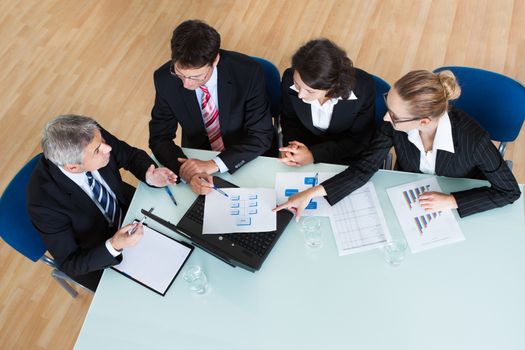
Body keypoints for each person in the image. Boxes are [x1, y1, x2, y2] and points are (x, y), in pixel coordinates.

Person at [275, 70, 520, 220]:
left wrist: (451, 200)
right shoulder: (393, 125)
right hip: (410, 197)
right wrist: (309, 193)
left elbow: (510, 191)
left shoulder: (473, 141)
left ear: (423, 121)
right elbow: (363, 169)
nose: (385, 118)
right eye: (388, 107)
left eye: (393, 115)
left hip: (453, 200)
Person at [27, 115, 177, 291]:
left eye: (103, 141)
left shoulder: (91, 136)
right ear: (73, 167)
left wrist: (148, 174)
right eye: (98, 150)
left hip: (131, 211)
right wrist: (114, 245)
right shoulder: (43, 204)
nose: (108, 148)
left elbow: (128, 155)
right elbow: (70, 262)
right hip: (99, 252)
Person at [149, 19, 274, 195]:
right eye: (180, 74)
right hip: (199, 154)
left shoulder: (248, 73)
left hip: (247, 156)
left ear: (215, 60)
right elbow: (159, 137)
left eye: (196, 77)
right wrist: (187, 172)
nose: (186, 84)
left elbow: (261, 135)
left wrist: (213, 165)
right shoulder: (164, 79)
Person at [279, 39, 375, 166]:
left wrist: (314, 155)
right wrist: (293, 149)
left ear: (332, 86)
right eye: (297, 85)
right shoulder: (288, 78)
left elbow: (359, 139)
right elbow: (289, 120)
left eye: (310, 91)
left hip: (346, 155)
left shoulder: (364, 88)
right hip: (303, 151)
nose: (300, 95)